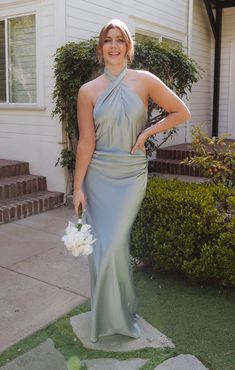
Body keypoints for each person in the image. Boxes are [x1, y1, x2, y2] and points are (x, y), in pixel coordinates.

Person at [73, 19, 191, 343]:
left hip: (130, 175)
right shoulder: (88, 91)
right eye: (108, 40)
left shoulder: (145, 81)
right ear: (101, 49)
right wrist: (77, 187)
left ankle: (121, 316)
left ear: (128, 47)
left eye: (119, 40)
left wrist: (147, 133)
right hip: (98, 175)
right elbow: (86, 142)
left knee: (112, 245)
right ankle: (111, 316)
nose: (114, 46)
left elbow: (181, 111)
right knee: (106, 248)